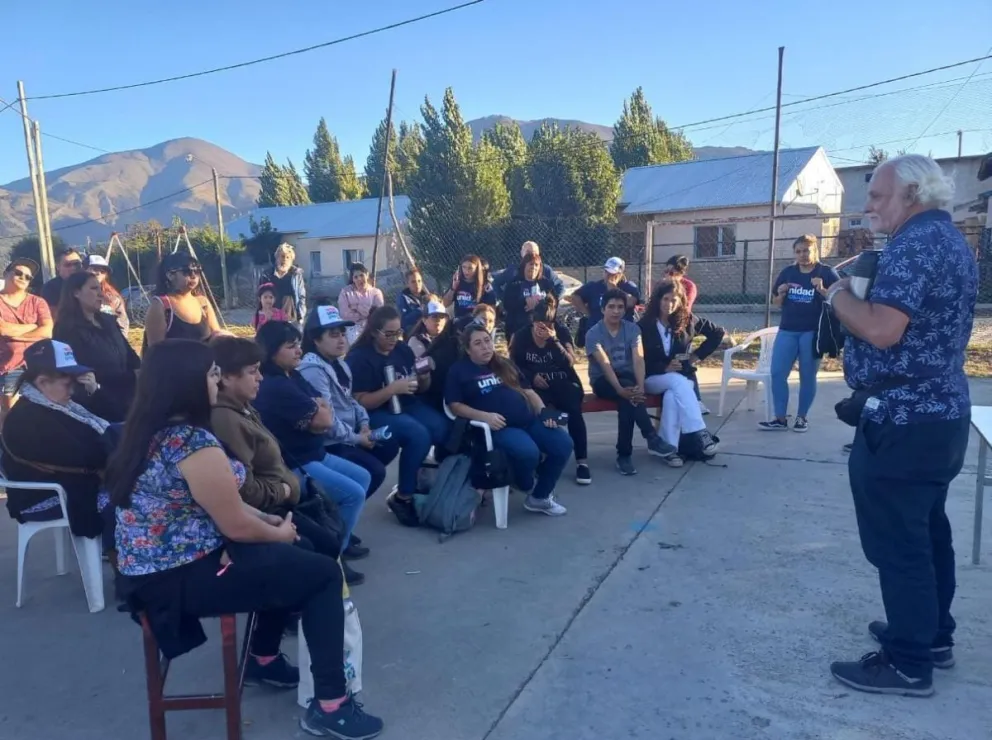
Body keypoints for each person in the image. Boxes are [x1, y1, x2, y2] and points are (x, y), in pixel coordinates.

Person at [107, 339, 383, 738]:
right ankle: (331, 706)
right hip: (173, 581)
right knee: (320, 574)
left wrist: (272, 525)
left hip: (169, 566)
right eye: (212, 374)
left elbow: (216, 506)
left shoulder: (147, 431)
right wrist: (279, 531)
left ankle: (264, 659)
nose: (217, 383)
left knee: (295, 553)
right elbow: (235, 525)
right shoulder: (190, 443)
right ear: (188, 382)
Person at [824, 155, 976, 698]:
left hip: (905, 420)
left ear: (912, 193)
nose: (868, 207)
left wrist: (837, 295)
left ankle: (909, 663)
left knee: (900, 543)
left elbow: (883, 330)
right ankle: (932, 635)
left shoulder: (915, 244)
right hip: (939, 414)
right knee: (928, 530)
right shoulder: (950, 240)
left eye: (879, 196)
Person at [253, 321, 371, 584]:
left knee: (363, 476)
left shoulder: (292, 375)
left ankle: (338, 538)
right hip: (296, 463)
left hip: (314, 452)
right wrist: (319, 410)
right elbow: (324, 421)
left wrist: (319, 409)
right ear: (272, 351)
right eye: (290, 346)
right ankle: (333, 559)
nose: (298, 351)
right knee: (354, 493)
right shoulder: (276, 385)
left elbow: (323, 406)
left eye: (298, 344)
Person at [209, 336, 346, 561]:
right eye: (252, 371)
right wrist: (283, 490)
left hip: (279, 500)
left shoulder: (241, 407)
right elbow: (244, 488)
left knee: (328, 543)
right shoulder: (226, 419)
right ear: (226, 377)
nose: (260, 378)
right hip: (270, 507)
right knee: (320, 549)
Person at [447, 321, 573, 516]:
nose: (486, 347)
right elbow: (454, 405)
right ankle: (525, 482)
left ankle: (539, 497)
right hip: (501, 427)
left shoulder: (503, 363)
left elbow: (529, 392)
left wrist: (544, 413)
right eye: (478, 343)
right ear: (468, 349)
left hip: (530, 419)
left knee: (563, 444)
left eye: (487, 341)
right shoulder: (459, 371)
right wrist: (484, 416)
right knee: (528, 452)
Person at [346, 306, 450, 527]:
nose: (395, 338)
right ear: (374, 332)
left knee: (441, 428)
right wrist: (392, 389)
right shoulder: (360, 357)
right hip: (375, 412)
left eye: (398, 332)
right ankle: (403, 497)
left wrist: (424, 378)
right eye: (389, 333)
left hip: (406, 402)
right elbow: (361, 401)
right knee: (418, 435)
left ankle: (421, 479)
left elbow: (420, 389)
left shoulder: (402, 350)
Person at [2, 339, 111, 537]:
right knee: (133, 498)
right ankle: (127, 558)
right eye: (68, 384)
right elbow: (85, 455)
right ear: (42, 381)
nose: (72, 391)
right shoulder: (27, 418)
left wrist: (95, 392)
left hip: (66, 486)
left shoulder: (58, 403)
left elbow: (112, 421)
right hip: (40, 498)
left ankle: (125, 553)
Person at [299, 306, 399, 501]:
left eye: (343, 333)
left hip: (349, 433)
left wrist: (363, 423)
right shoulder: (312, 370)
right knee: (374, 472)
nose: (342, 339)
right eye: (334, 335)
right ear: (316, 339)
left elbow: (350, 399)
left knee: (389, 446)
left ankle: (343, 498)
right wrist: (356, 439)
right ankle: (337, 511)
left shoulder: (339, 363)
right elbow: (327, 422)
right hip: (330, 442)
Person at [586, 289, 676, 475]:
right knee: (627, 392)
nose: (616, 311)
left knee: (628, 400)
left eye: (620, 307)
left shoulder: (633, 329)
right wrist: (619, 389)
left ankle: (625, 455)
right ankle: (650, 437)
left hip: (628, 379)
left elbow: (638, 359)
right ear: (603, 309)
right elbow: (604, 364)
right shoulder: (593, 333)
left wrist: (641, 387)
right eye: (611, 307)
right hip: (603, 380)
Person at [759, 235, 840, 433]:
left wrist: (822, 290)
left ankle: (802, 417)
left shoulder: (827, 272)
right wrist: (781, 293)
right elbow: (777, 303)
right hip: (788, 330)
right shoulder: (788, 272)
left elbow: (840, 299)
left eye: (807, 250)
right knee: (777, 373)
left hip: (812, 332)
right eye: (799, 251)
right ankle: (779, 419)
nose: (803, 255)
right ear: (794, 253)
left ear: (815, 251)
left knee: (807, 375)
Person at [639, 281, 722, 466]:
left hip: (677, 382)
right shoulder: (644, 325)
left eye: (673, 300)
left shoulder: (687, 320)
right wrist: (663, 368)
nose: (669, 304)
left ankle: (669, 449)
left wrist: (695, 357)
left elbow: (717, 333)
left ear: (681, 301)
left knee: (672, 395)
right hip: (650, 378)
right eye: (665, 299)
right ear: (658, 299)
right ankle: (700, 433)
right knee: (679, 383)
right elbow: (637, 360)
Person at [510, 296, 589, 485]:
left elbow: (570, 362)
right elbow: (514, 365)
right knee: (540, 413)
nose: (542, 328)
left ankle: (582, 462)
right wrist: (531, 376)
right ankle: (542, 457)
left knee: (574, 413)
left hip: (563, 382)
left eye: (547, 324)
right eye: (539, 324)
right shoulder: (521, 335)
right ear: (532, 321)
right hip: (538, 386)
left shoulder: (560, 332)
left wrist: (554, 340)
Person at [53, 271, 140, 423]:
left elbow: (129, 354)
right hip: (96, 407)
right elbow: (76, 373)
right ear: (76, 293)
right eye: (94, 289)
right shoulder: (66, 330)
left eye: (100, 288)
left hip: (128, 400)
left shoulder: (109, 321)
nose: (101, 294)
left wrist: (141, 372)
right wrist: (130, 376)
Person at [0, 258, 53, 416]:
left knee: (43, 411)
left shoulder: (38, 302)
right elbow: (3, 330)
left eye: (28, 277)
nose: (23, 278)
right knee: (11, 414)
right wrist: (33, 327)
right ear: (6, 274)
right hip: (8, 367)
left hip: (39, 364)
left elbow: (47, 332)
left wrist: (14, 335)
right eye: (18, 273)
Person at [143, 252, 222, 348]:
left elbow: (216, 336)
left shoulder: (203, 303)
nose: (193, 276)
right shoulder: (161, 306)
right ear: (170, 275)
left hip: (204, 362)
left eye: (197, 271)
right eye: (187, 271)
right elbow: (155, 351)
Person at [569, 257, 641, 344]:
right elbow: (575, 297)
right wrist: (587, 313)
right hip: (597, 333)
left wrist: (614, 289)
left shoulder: (628, 286)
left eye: (612, 273)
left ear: (621, 274)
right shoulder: (594, 286)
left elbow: (631, 302)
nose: (608, 275)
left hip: (622, 335)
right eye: (606, 271)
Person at [501, 252, 558, 337]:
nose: (533, 267)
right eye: (531, 264)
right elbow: (507, 304)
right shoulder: (514, 284)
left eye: (536, 265)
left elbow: (554, 302)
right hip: (518, 326)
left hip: (542, 325)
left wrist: (539, 303)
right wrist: (525, 301)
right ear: (524, 266)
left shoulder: (546, 283)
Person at [491, 241, 565, 302]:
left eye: (534, 252)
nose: (531, 255)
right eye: (528, 252)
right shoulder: (513, 270)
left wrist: (550, 303)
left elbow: (560, 287)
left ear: (538, 254)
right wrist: (504, 299)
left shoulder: (546, 270)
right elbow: (495, 284)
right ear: (522, 253)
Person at [259, 243, 307, 327]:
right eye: (282, 256)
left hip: (291, 319)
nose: (284, 260)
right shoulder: (267, 275)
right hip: (271, 318)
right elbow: (260, 295)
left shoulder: (296, 275)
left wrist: (301, 316)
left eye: (288, 257)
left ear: (292, 260)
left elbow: (301, 296)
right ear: (277, 258)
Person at [84, 254, 129, 334]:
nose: (98, 273)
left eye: (103, 271)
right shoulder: (75, 294)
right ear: (84, 270)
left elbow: (122, 324)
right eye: (95, 269)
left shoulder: (112, 297)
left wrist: (120, 342)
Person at [443, 254, 496, 320]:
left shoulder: (485, 286)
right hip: (459, 320)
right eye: (464, 267)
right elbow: (445, 304)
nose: (466, 271)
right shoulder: (458, 281)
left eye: (470, 268)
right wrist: (453, 288)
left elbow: (492, 310)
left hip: (477, 322)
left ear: (477, 269)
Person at [337, 262, 384, 335]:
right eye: (356, 277)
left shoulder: (376, 293)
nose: (359, 279)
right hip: (351, 329)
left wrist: (355, 307)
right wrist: (365, 314)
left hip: (370, 328)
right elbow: (344, 315)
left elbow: (377, 314)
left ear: (367, 275)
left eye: (362, 275)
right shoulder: (345, 292)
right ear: (352, 279)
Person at [41, 247, 84, 313]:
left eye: (76, 264)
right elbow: (53, 316)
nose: (73, 268)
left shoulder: (89, 283)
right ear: (58, 267)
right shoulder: (50, 288)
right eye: (68, 265)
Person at [397, 267, 432, 335]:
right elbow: (405, 321)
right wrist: (422, 309)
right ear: (407, 284)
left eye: (419, 281)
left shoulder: (427, 296)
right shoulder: (402, 298)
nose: (417, 284)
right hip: (412, 332)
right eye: (413, 282)